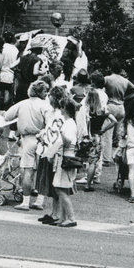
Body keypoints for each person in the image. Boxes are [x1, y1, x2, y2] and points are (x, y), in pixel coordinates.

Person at [6, 80, 52, 211]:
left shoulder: (23, 103)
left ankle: (25, 201)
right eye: (45, 91)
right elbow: (50, 124)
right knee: (43, 172)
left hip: (27, 139)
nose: (46, 93)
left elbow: (8, 116)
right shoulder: (46, 106)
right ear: (40, 92)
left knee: (27, 170)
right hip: (42, 139)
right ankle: (39, 200)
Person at [48, 91, 79, 227]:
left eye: (62, 107)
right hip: (64, 156)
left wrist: (59, 132)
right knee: (61, 189)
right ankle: (63, 217)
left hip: (66, 157)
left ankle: (71, 218)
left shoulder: (70, 124)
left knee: (60, 189)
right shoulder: (69, 122)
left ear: (64, 109)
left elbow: (68, 141)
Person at [82, 73, 115, 190]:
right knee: (94, 161)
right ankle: (89, 183)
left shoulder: (86, 112)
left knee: (85, 158)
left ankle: (84, 178)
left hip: (86, 135)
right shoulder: (102, 111)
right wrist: (104, 129)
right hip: (97, 135)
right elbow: (114, 121)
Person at [104, 64, 134, 159]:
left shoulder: (107, 79)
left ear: (111, 69)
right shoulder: (125, 81)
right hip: (121, 106)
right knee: (120, 134)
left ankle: (106, 158)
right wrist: (125, 98)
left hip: (110, 105)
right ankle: (124, 155)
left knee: (108, 133)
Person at [0, 31, 19, 109]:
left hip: (1, 72)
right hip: (10, 73)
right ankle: (5, 108)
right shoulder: (15, 50)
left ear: (4, 38)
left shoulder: (2, 48)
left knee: (0, 92)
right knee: (7, 91)